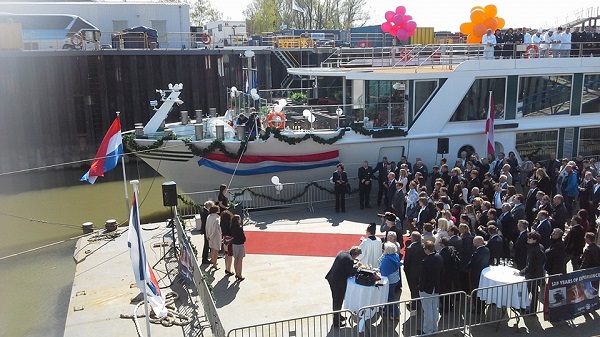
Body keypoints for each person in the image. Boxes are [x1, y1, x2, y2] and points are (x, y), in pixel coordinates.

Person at [325, 246, 362, 328]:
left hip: (332, 278)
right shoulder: (349, 259)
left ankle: (338, 316)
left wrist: (354, 264)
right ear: (355, 255)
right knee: (338, 301)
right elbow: (350, 272)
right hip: (338, 282)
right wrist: (358, 268)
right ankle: (336, 323)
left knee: (336, 300)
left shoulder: (342, 252)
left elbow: (346, 265)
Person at [515, 231, 546, 313]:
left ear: (535, 240)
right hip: (538, 273)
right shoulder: (540, 247)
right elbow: (544, 259)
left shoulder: (533, 250)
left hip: (531, 275)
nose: (527, 239)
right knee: (534, 293)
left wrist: (520, 273)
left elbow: (530, 265)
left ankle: (522, 308)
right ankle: (532, 310)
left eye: (530, 238)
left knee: (526, 292)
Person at [419, 241, 443, 335]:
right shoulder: (439, 257)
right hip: (436, 286)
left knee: (427, 309)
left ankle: (427, 330)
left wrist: (421, 288)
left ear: (427, 250)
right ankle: (434, 328)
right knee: (434, 308)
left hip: (427, 288)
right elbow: (442, 272)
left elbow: (423, 277)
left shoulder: (425, 262)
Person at [404, 231, 426, 309]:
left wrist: (406, 271)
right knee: (419, 289)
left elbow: (406, 262)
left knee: (413, 289)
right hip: (422, 272)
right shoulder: (423, 247)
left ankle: (414, 305)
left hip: (412, 273)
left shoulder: (410, 248)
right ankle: (419, 302)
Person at [380, 242, 402, 319]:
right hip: (395, 279)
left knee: (390, 297)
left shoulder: (386, 259)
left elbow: (383, 271)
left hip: (390, 281)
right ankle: (387, 310)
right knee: (389, 296)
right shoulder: (395, 255)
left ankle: (395, 313)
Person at [230, 214, 246, 280]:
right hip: (240, 245)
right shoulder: (239, 228)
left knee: (235, 260)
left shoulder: (231, 228)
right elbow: (243, 238)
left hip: (234, 245)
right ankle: (239, 275)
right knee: (240, 261)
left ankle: (236, 273)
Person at [220, 210, 234, 275]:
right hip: (230, 239)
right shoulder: (230, 222)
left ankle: (226, 268)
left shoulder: (221, 223)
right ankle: (229, 269)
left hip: (225, 238)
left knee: (226, 254)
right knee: (230, 255)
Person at [199, 200, 214, 265]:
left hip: (205, 229)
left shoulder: (203, 210)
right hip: (207, 230)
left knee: (209, 244)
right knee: (207, 245)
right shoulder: (206, 213)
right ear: (209, 206)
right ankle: (204, 259)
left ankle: (213, 255)